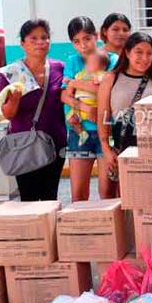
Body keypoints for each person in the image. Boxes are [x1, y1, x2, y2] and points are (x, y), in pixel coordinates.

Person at [96, 32, 152, 199]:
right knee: (123, 200)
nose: (144, 58)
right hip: (121, 148)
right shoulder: (111, 78)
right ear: (127, 53)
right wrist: (107, 149)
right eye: (139, 52)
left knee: (151, 199)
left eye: (149, 53)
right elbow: (103, 116)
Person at [0, 19, 68, 201]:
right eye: (33, 38)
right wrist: (15, 99)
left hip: (55, 143)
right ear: (22, 43)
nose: (40, 42)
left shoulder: (60, 68)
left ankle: (50, 230)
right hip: (23, 145)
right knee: (28, 198)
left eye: (44, 38)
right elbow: (7, 114)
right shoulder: (12, 72)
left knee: (50, 197)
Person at [61, 16, 104, 201]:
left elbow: (105, 90)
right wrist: (87, 108)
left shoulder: (110, 59)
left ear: (96, 36)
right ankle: (81, 229)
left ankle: (112, 229)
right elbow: (64, 95)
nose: (83, 45)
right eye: (77, 41)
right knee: (78, 194)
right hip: (79, 131)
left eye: (87, 38)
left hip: (106, 131)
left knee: (109, 192)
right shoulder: (72, 61)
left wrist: (76, 82)